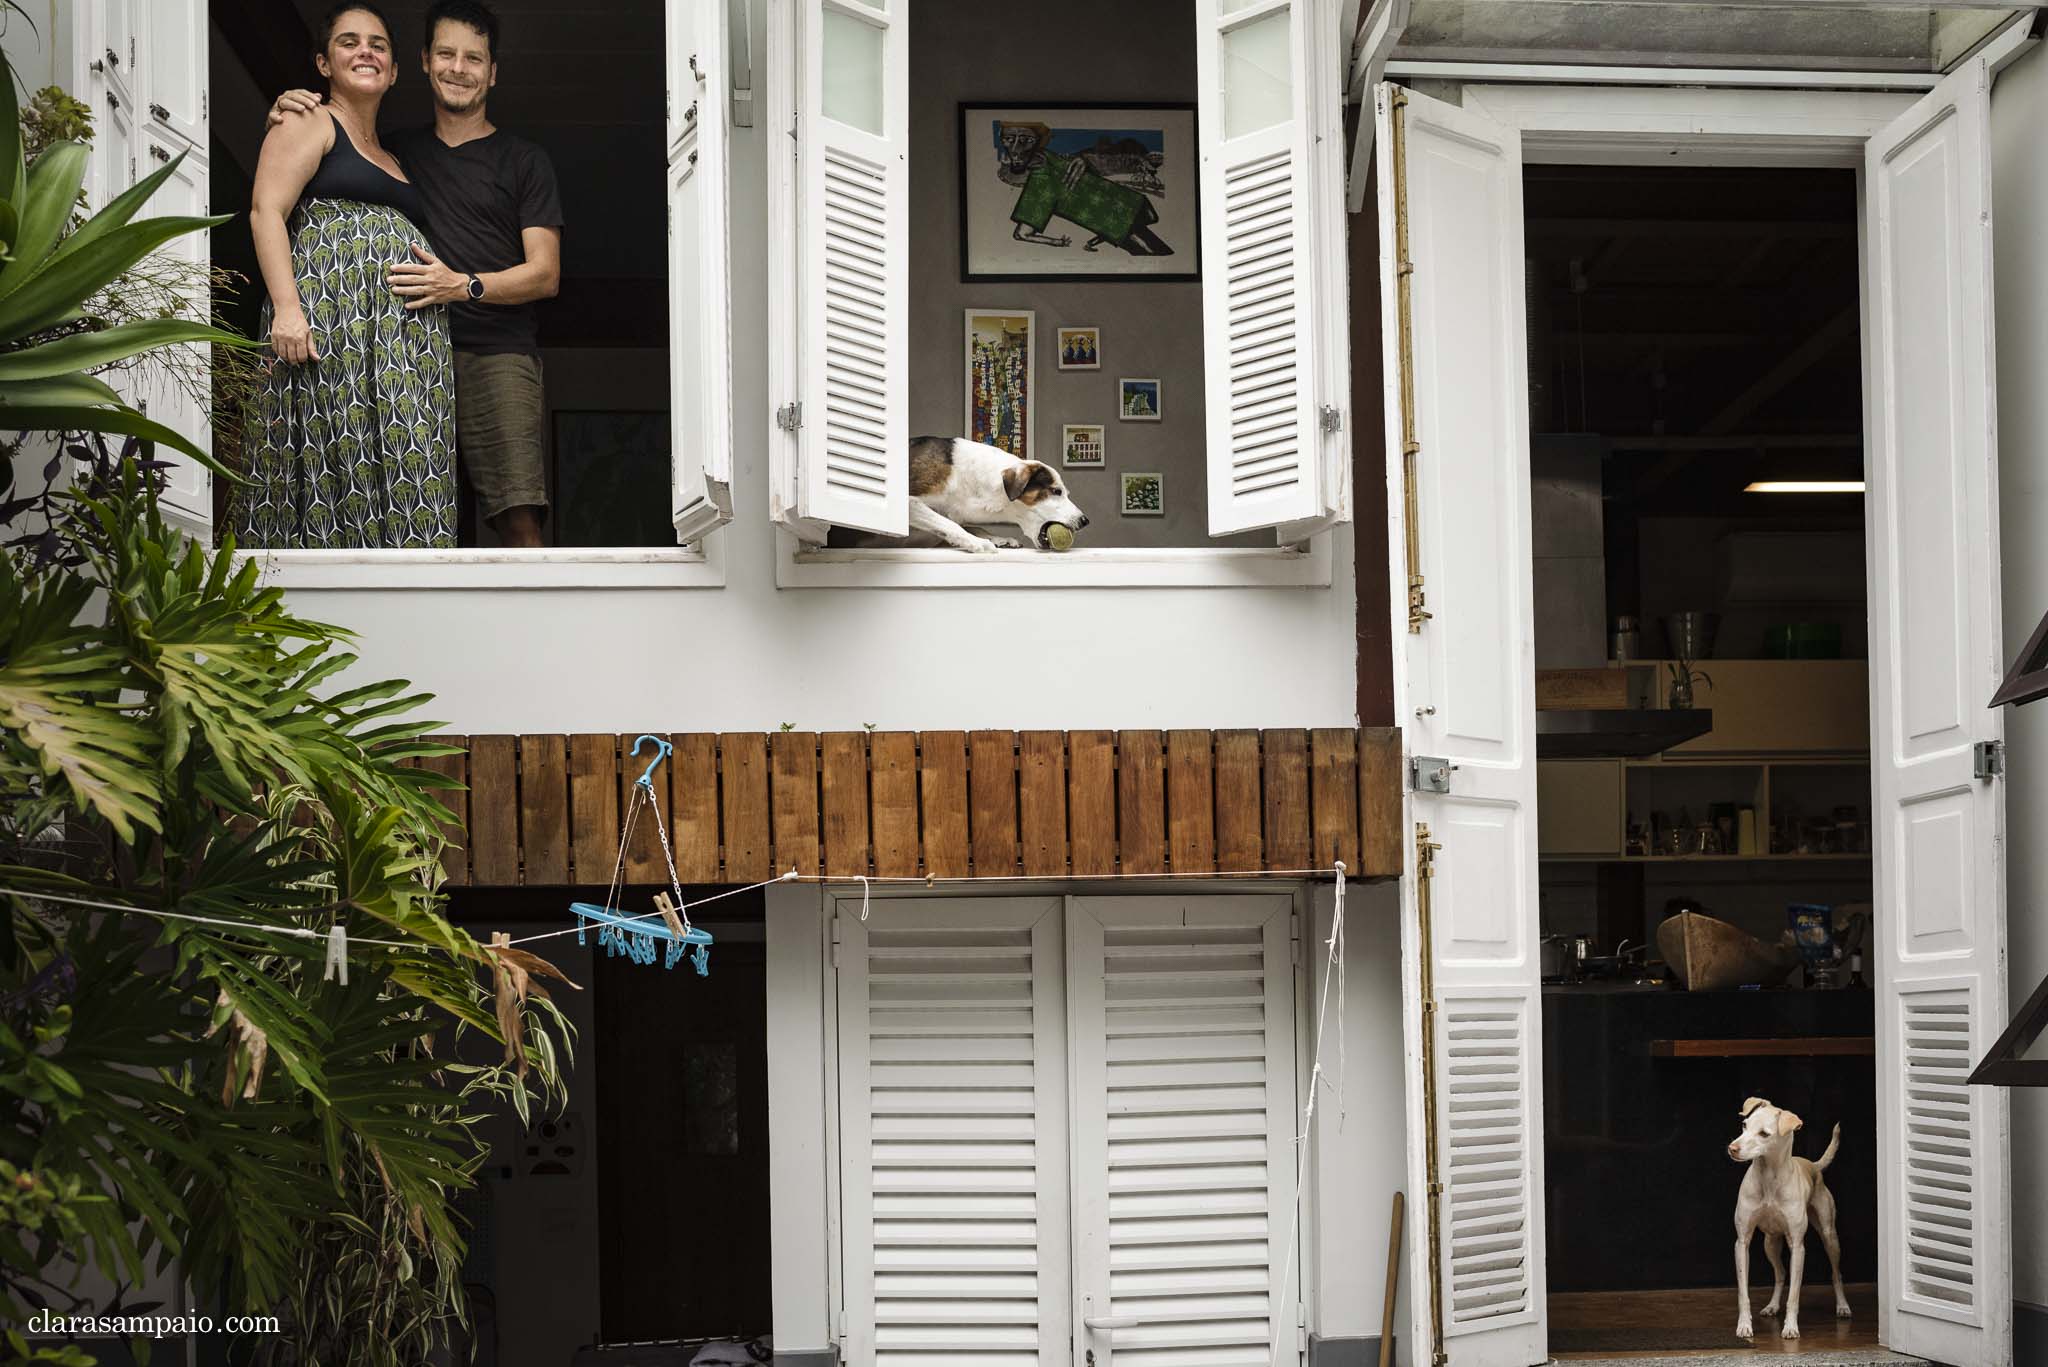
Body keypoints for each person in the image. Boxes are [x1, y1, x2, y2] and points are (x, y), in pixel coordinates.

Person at [273, 0, 564, 548]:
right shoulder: (392, 151)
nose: (459, 68)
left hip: (494, 352)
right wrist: (288, 108)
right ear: (425, 62)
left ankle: (534, 632)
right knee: (411, 512)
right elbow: (314, 153)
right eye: (447, 54)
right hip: (400, 353)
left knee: (518, 515)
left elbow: (545, 274)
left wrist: (463, 285)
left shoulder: (524, 161)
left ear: (492, 72)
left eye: (474, 58)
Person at [238, 2, 457, 550]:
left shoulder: (395, 155)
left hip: (398, 348)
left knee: (412, 471)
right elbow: (266, 211)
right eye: (349, 42)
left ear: (396, 70)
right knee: (334, 457)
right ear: (323, 62)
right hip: (329, 327)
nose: (366, 52)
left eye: (378, 45)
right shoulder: (307, 120)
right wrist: (287, 309)